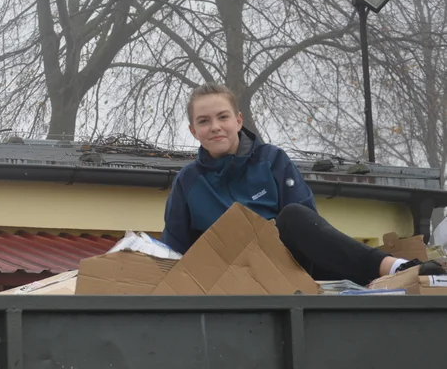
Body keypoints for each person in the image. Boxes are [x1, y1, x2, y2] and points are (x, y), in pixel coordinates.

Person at [161, 82, 445, 287]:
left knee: (294, 215)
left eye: (222, 117)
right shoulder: (188, 182)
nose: (215, 127)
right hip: (229, 278)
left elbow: (309, 227)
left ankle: (398, 268)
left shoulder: (271, 160)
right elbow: (175, 251)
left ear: (238, 120)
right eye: (204, 121)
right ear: (193, 131)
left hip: (288, 266)